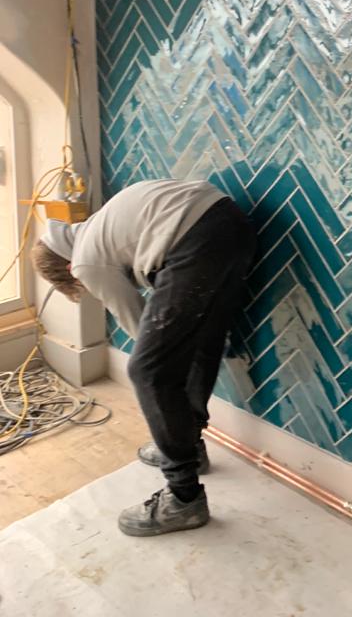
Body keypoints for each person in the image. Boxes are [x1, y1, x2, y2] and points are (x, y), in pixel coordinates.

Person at [31, 178, 256, 536]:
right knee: (204, 341)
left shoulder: (86, 261)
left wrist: (160, 356)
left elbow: (138, 324)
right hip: (230, 222)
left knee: (147, 370)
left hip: (195, 239)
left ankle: (183, 497)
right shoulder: (101, 224)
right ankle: (189, 444)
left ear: (68, 270)